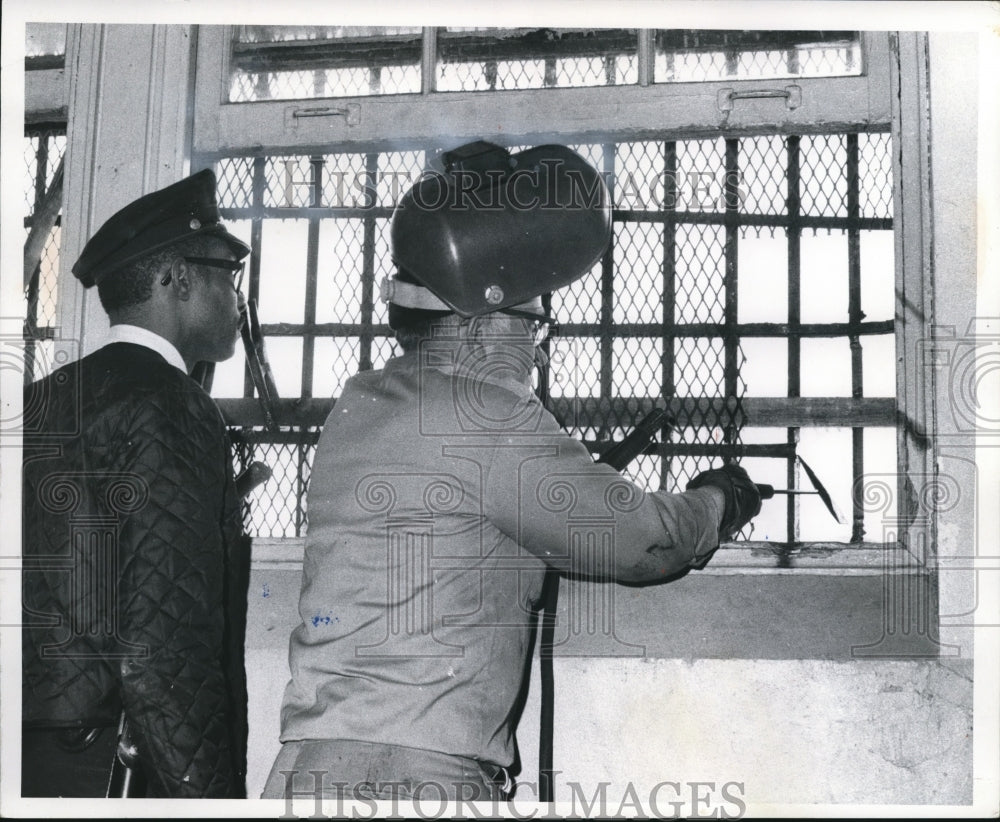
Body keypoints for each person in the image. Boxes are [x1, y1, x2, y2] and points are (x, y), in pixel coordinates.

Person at [262, 142, 762, 803]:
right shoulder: (489, 416)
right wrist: (716, 501)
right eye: (534, 325)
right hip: (413, 778)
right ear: (484, 324)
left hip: (306, 771)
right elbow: (642, 542)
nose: (540, 348)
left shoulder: (359, 406)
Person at [21, 169, 252, 798]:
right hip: (115, 768)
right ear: (176, 278)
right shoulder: (173, 405)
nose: (239, 299)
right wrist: (210, 800)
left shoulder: (42, 399)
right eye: (228, 276)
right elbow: (163, 644)